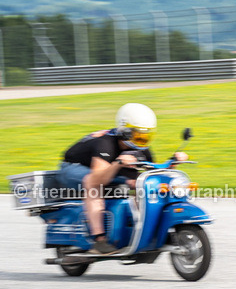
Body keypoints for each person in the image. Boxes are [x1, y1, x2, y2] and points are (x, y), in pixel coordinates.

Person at [58, 103, 187, 255]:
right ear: (124, 131)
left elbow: (152, 173)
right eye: (138, 135)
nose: (142, 142)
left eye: (146, 137)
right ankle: (99, 240)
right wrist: (118, 163)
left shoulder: (140, 147)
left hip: (110, 165)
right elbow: (100, 178)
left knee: (138, 182)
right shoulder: (106, 144)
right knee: (92, 184)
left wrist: (172, 162)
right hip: (72, 168)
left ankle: (140, 229)